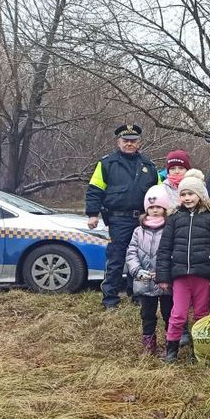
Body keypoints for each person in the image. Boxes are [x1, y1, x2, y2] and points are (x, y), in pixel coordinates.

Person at [85, 123, 160, 311]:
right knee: (116, 258)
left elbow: (159, 194)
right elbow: (94, 190)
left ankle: (137, 295)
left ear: (139, 143)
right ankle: (110, 299)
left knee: (141, 258)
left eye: (133, 141)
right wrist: (92, 214)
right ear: (118, 142)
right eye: (125, 140)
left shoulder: (149, 166)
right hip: (118, 219)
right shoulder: (107, 164)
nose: (129, 144)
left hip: (143, 220)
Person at [156, 170, 210, 363]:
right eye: (183, 194)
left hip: (202, 275)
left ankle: (199, 350)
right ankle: (171, 350)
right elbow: (164, 248)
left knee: (202, 314)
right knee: (178, 314)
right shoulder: (175, 218)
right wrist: (163, 276)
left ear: (200, 194)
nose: (187, 198)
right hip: (180, 275)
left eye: (191, 194)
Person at [125, 185, 173, 356]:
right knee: (147, 314)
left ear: (165, 209)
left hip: (165, 281)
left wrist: (165, 273)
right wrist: (137, 271)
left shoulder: (170, 229)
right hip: (144, 281)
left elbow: (174, 253)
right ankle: (148, 345)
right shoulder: (138, 231)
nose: (155, 210)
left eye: (159, 207)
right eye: (151, 207)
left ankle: (170, 344)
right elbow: (131, 253)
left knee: (169, 313)